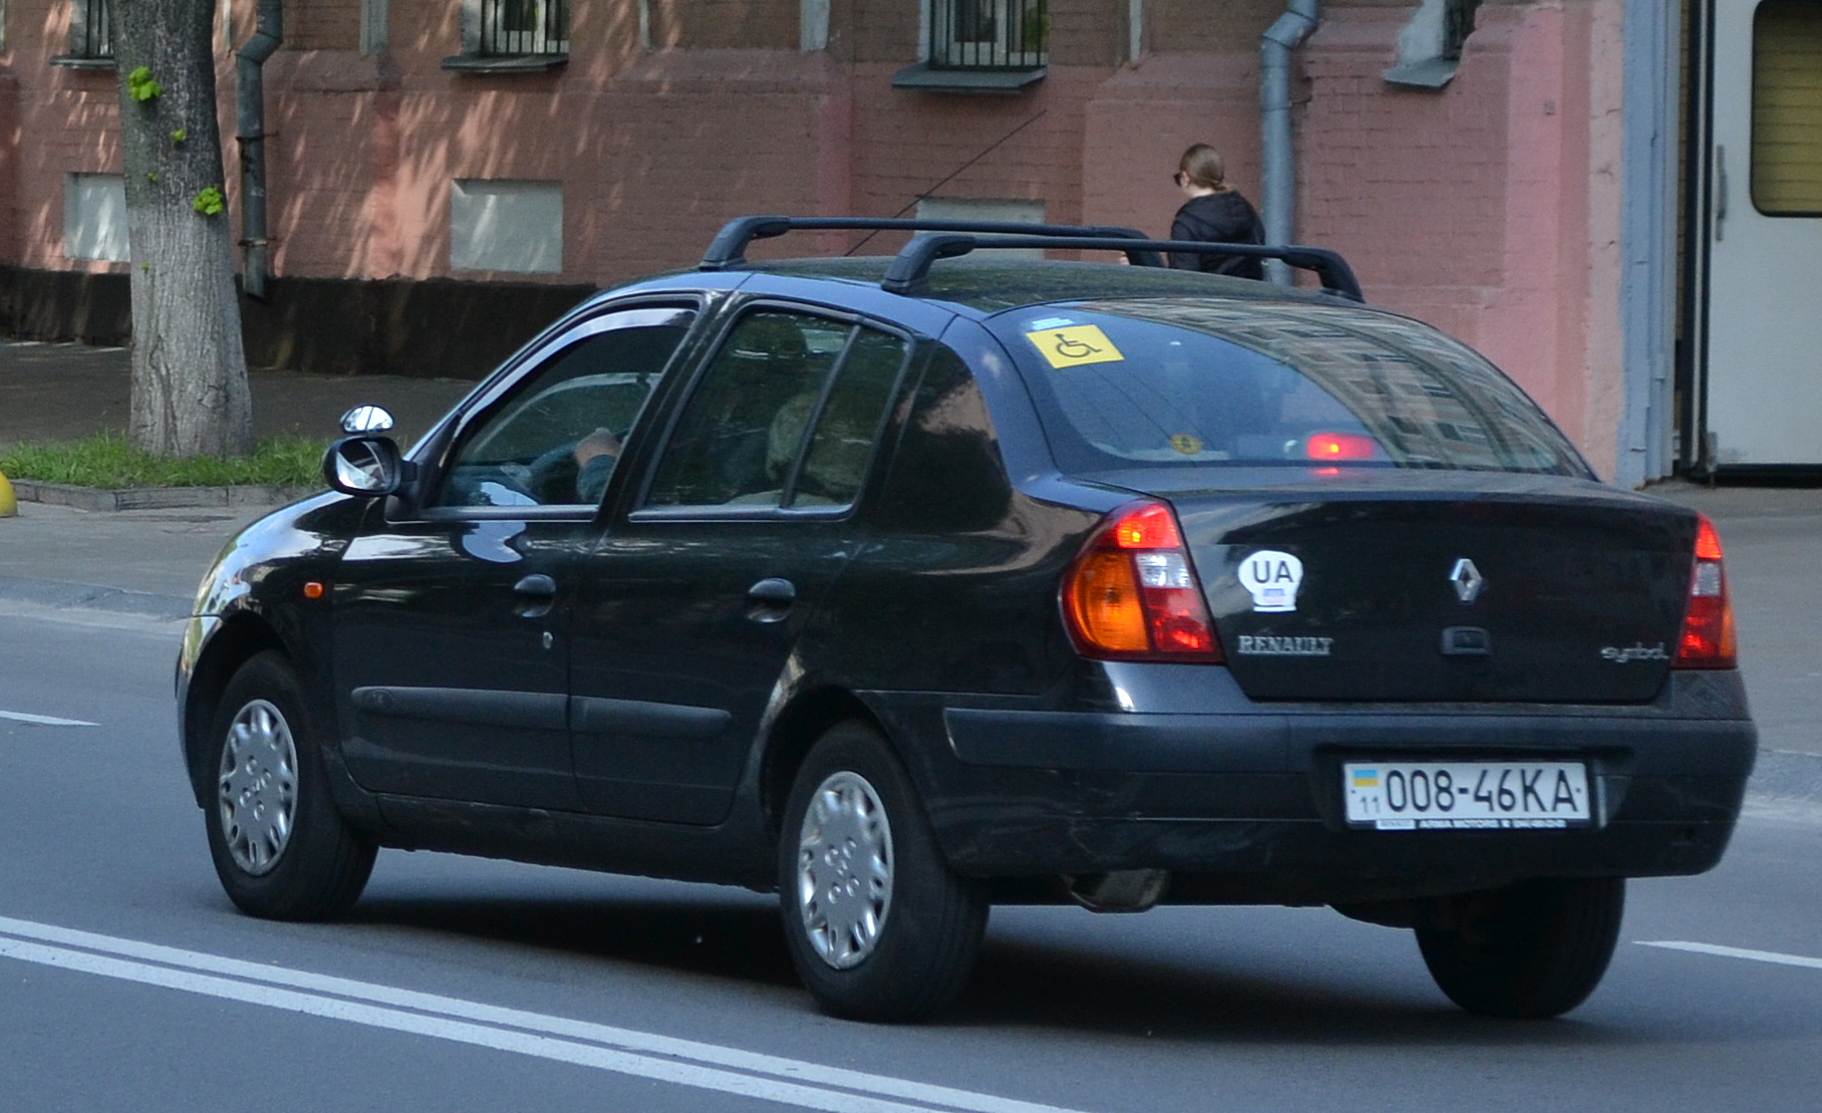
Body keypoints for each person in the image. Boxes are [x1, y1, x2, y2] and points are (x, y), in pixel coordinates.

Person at [1167, 144, 1266, 280]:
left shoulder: (1187, 222)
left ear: (1186, 177)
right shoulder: (1245, 209)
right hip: (1251, 297)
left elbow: (1184, 277)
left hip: (1209, 298)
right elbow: (1260, 252)